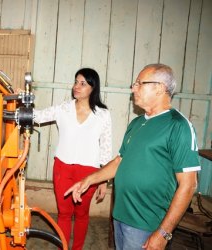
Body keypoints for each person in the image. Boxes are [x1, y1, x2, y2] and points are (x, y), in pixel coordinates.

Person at [65, 63, 201, 250]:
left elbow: (189, 185)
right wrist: (88, 180)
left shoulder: (178, 126)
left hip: (147, 223)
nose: (133, 88)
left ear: (160, 88)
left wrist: (163, 233)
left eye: (139, 83)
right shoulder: (137, 123)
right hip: (121, 216)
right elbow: (120, 161)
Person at [33, 68, 112, 249]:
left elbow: (106, 147)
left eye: (83, 83)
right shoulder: (63, 109)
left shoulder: (103, 114)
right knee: (64, 213)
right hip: (63, 168)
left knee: (82, 214)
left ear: (93, 87)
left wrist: (103, 179)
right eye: (76, 82)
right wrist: (20, 104)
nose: (76, 86)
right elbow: (38, 116)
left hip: (89, 173)